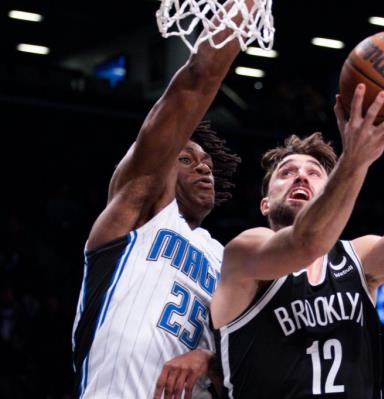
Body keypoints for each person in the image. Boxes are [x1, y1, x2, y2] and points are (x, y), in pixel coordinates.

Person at [211, 78, 384, 398]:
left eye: (315, 173)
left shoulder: (358, 258)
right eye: (286, 172)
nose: (301, 175)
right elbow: (306, 244)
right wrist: (355, 159)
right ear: (265, 203)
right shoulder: (243, 253)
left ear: (331, 193)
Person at [70, 1, 252, 397]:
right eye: (187, 158)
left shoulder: (228, 259)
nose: (204, 168)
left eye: (207, 163)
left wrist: (209, 360)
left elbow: (255, 359)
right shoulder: (139, 214)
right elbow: (195, 83)